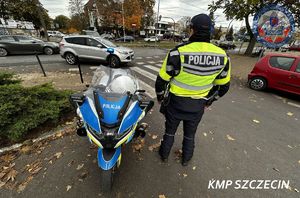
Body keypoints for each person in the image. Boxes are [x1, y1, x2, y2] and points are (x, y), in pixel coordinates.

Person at [155, 14, 231, 166]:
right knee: (190, 134)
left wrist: (160, 97)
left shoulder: (177, 53)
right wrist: (209, 101)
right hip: (198, 106)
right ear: (210, 31)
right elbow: (223, 87)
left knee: (170, 131)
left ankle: (164, 155)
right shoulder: (223, 56)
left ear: (191, 30)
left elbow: (161, 81)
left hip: (175, 104)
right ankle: (186, 159)